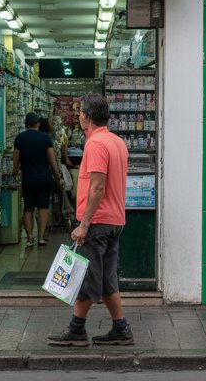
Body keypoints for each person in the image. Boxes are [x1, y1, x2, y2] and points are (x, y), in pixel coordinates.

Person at [47, 94, 133, 347]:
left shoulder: (95, 144)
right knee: (107, 280)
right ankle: (121, 328)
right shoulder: (117, 142)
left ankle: (76, 330)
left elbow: (97, 187)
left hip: (97, 222)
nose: (79, 116)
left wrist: (83, 224)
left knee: (86, 278)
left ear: (86, 116)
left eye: (80, 113)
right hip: (115, 220)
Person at [12, 112, 62, 247]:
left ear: (26, 124)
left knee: (28, 208)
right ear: (38, 124)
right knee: (43, 208)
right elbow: (52, 160)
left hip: (28, 178)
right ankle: (40, 238)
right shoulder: (45, 138)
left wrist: (14, 173)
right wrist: (58, 176)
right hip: (44, 178)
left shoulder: (19, 138)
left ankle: (29, 238)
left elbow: (15, 161)